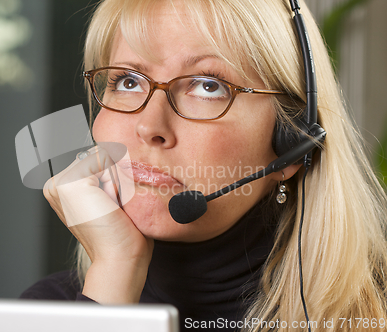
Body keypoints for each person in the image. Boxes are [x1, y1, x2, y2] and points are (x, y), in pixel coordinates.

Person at [21, 0, 387, 331]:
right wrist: (114, 275)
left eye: (208, 86)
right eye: (128, 81)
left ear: (291, 141)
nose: (149, 127)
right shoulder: (52, 311)